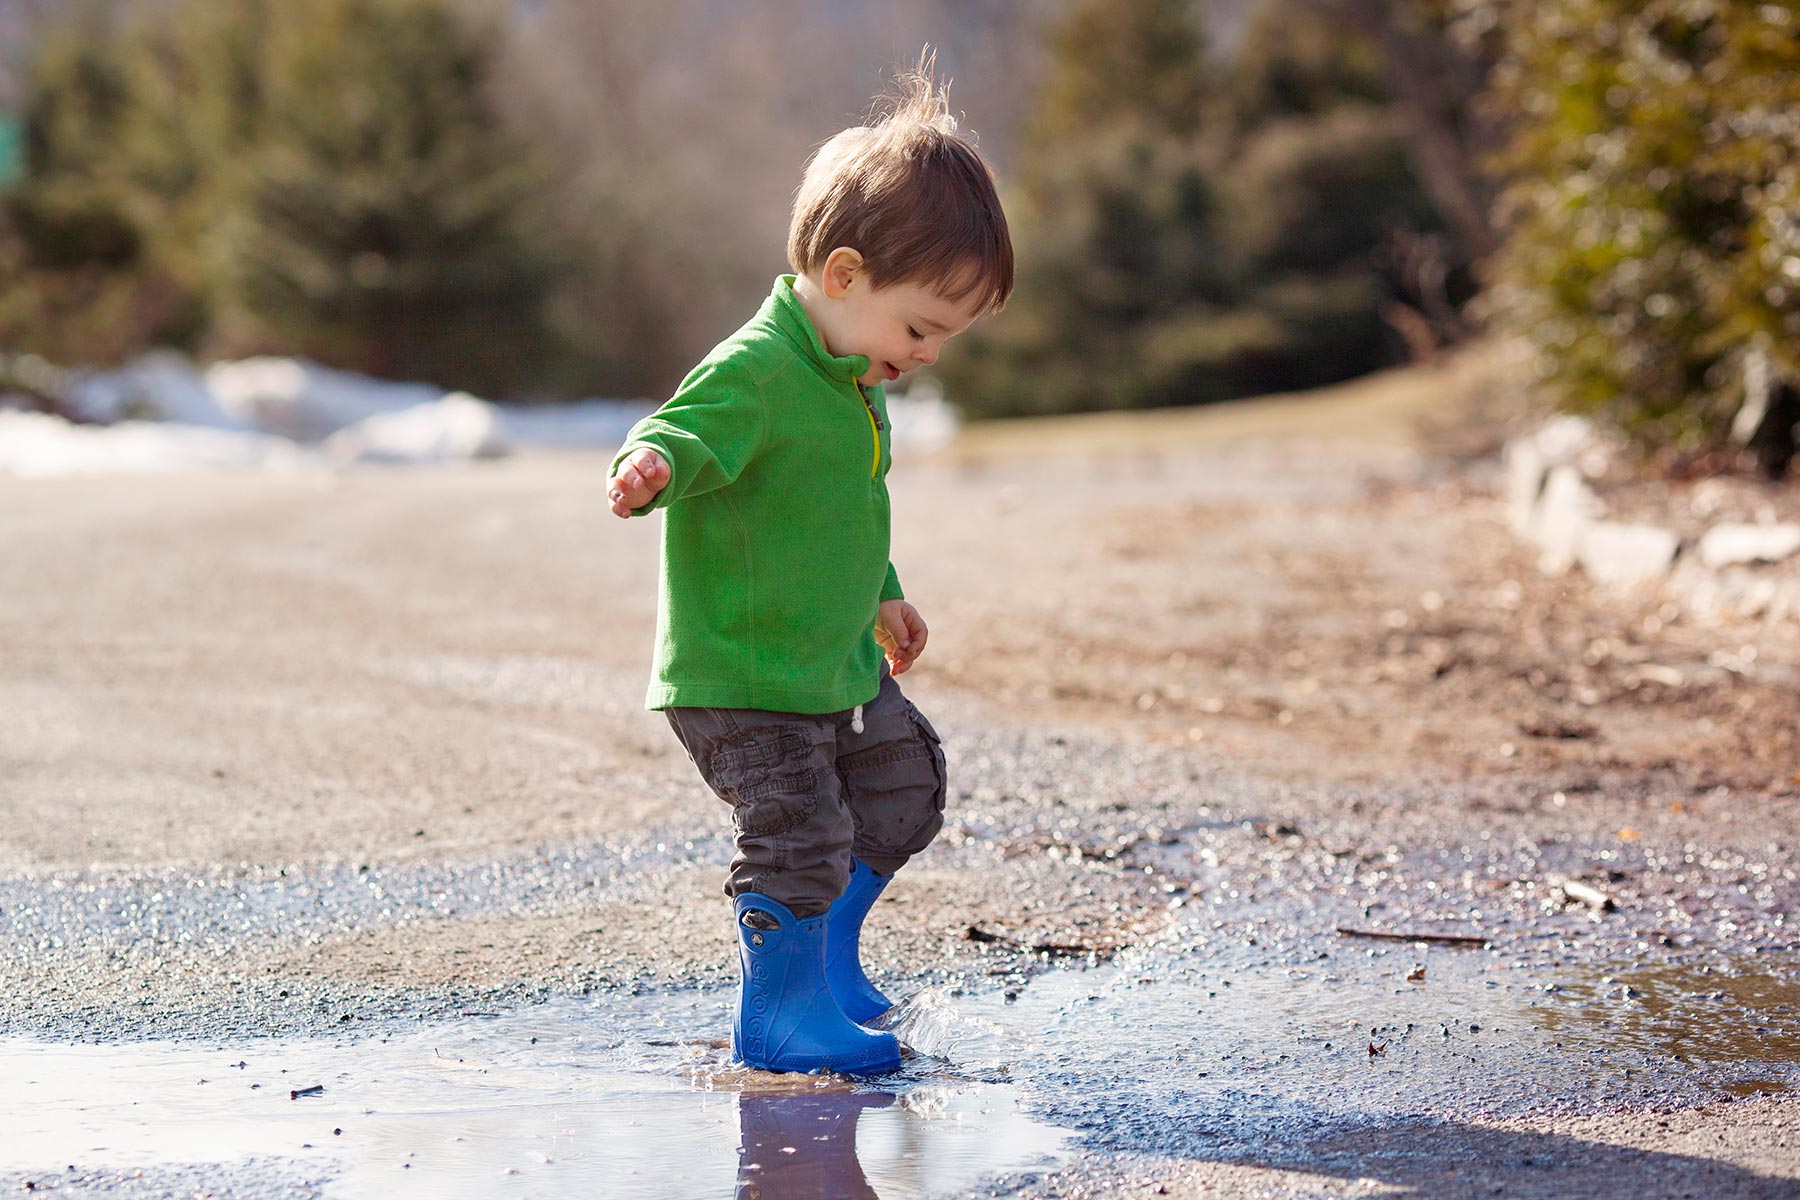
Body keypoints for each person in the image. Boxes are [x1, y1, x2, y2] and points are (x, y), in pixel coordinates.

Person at [605, 54, 1012, 1075]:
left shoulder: (850, 372)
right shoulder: (757, 368)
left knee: (904, 784)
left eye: (944, 338)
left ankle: (824, 961)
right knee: (796, 832)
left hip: (827, 657)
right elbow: (677, 433)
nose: (925, 355)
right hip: (746, 677)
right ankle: (778, 1016)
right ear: (842, 276)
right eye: (919, 327)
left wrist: (882, 592)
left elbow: (834, 507)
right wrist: (652, 466)